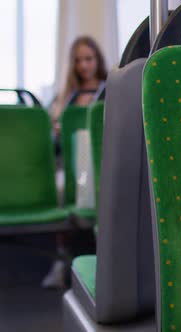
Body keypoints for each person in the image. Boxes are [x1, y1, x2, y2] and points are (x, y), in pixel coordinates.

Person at [42, 36, 107, 289]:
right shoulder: (65, 97)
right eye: (78, 60)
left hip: (96, 162)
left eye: (88, 59)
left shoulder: (107, 91)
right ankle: (62, 259)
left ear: (97, 60)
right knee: (60, 190)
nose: (83, 65)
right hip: (70, 162)